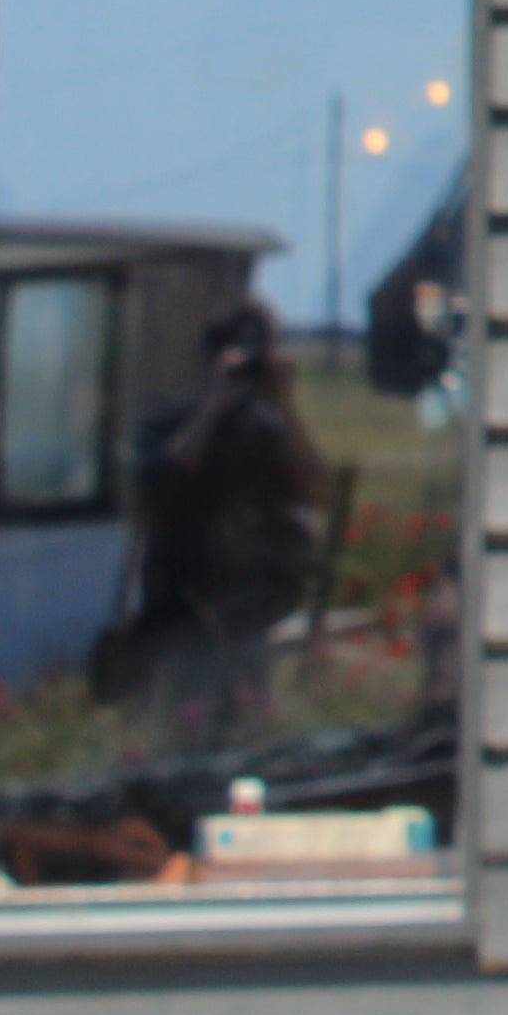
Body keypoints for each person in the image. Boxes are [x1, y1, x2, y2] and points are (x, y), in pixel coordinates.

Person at [104, 300, 326, 737]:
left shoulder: (267, 427)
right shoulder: (170, 420)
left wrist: (286, 405)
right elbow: (165, 476)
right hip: (182, 601)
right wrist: (214, 404)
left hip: (243, 602)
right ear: (209, 360)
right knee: (187, 719)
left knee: (248, 719)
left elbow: (315, 492)